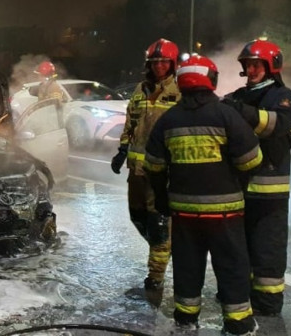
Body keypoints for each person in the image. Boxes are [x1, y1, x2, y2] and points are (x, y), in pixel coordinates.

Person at [145, 54, 262, 335]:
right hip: (226, 212)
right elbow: (251, 159)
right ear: (211, 80)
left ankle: (186, 319)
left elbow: (154, 166)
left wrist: (162, 198)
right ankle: (238, 323)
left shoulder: (168, 120)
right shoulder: (226, 115)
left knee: (187, 266)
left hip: (183, 212)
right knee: (232, 266)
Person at [222, 40, 291, 316]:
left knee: (268, 252)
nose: (251, 69)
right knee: (236, 250)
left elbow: (276, 124)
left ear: (271, 66)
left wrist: (239, 111)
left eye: (257, 65)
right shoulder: (238, 97)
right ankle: (237, 297)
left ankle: (268, 305)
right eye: (248, 65)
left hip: (270, 194)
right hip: (238, 190)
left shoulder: (284, 97)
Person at [111, 38, 181, 300]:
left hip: (162, 173)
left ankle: (155, 276)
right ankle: (162, 250)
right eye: (154, 62)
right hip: (137, 171)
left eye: (164, 62)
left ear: (172, 64)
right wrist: (121, 150)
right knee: (137, 217)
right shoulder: (141, 89)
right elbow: (130, 122)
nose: (159, 66)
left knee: (160, 224)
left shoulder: (180, 90)